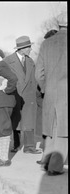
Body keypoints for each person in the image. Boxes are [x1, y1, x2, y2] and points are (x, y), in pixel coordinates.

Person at [35, 12, 67, 176]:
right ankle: (55, 167)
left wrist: (45, 88)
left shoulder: (46, 43)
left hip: (50, 93)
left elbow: (38, 73)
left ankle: (45, 162)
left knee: (52, 129)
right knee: (64, 132)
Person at [4, 36, 41, 154]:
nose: (31, 49)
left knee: (30, 120)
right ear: (22, 48)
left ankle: (29, 147)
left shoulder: (30, 61)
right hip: (16, 95)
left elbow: (34, 79)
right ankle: (16, 145)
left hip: (29, 96)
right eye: (29, 47)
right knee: (16, 120)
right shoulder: (7, 61)